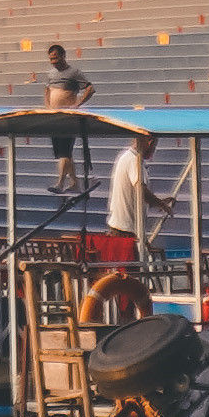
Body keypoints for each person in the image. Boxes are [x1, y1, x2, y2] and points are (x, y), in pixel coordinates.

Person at [41, 43, 92, 194]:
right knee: (64, 153)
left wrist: (78, 104)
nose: (53, 61)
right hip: (54, 118)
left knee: (64, 151)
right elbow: (47, 90)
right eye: (51, 59)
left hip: (68, 119)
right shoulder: (50, 74)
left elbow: (90, 88)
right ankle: (75, 182)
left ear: (63, 56)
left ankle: (60, 183)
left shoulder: (74, 72)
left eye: (55, 58)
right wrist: (48, 107)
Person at [104, 127, 160, 258]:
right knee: (130, 273)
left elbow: (136, 195)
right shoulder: (133, 160)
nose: (153, 151)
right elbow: (141, 190)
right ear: (150, 142)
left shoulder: (126, 157)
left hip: (122, 229)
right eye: (155, 146)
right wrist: (161, 204)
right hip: (126, 231)